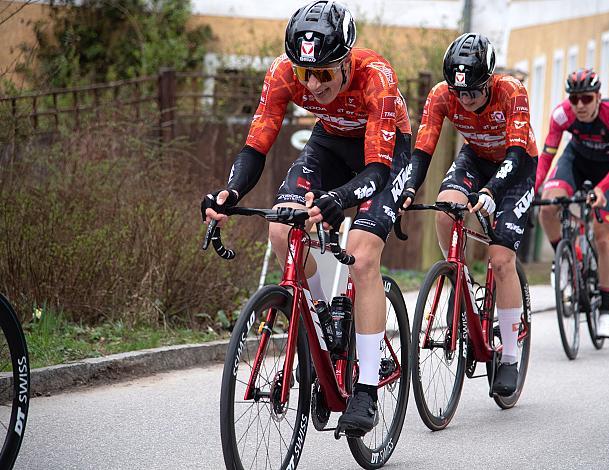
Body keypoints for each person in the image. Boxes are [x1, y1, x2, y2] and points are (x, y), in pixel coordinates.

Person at [201, 0, 412, 436]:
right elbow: (257, 144)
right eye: (304, 73)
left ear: (347, 61)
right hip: (331, 142)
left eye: (324, 74)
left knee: (363, 254)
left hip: (386, 154)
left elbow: (376, 169)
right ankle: (321, 320)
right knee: (281, 227)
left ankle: (367, 388)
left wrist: (340, 197)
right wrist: (231, 192)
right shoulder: (284, 71)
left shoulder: (377, 77)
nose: (313, 85)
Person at [401, 33, 538, 396]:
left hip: (516, 166)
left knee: (500, 259)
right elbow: (424, 146)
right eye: (459, 93)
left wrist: (492, 191)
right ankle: (457, 285)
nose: (465, 100)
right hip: (475, 158)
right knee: (446, 211)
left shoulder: (512, 91)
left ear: (489, 80)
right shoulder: (442, 95)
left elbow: (517, 152)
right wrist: (410, 188)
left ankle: (508, 355)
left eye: (474, 93)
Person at [535, 68, 609, 339]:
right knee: (547, 207)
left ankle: (605, 311)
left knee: (603, 239)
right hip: (575, 162)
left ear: (598, 97)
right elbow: (547, 155)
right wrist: (533, 186)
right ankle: (564, 259)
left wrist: (602, 189)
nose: (579, 105)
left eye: (586, 99)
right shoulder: (561, 114)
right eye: (574, 99)